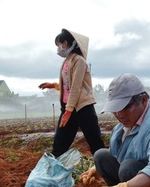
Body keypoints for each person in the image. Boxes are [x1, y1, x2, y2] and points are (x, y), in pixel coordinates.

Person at [38, 28, 105, 158]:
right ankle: (54, 171)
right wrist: (53, 85)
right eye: (57, 45)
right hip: (68, 107)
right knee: (60, 143)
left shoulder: (79, 61)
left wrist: (68, 111)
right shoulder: (66, 62)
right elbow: (67, 85)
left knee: (95, 142)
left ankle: (105, 169)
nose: (59, 48)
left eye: (60, 44)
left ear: (69, 43)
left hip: (83, 108)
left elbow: (76, 87)